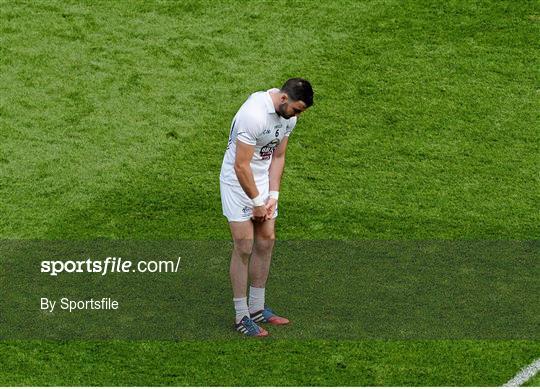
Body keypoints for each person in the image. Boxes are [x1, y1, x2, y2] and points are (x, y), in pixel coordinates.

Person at [219, 78, 314, 337]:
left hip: (260, 182)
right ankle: (241, 316)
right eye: (297, 109)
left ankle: (257, 308)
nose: (298, 116)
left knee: (266, 240)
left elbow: (278, 156)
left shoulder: (288, 117)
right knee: (244, 245)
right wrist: (256, 203)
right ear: (284, 99)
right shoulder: (253, 114)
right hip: (237, 183)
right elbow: (241, 166)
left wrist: (273, 195)